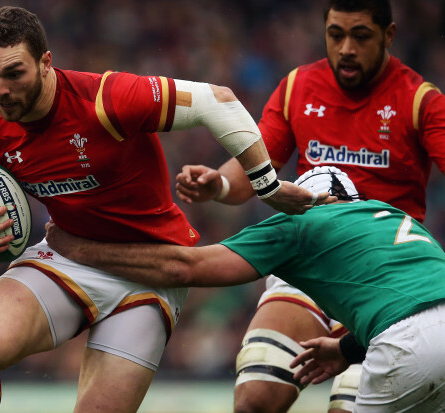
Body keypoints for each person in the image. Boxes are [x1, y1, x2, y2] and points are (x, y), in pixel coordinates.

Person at [0, 6, 330, 413]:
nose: (0, 89)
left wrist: (265, 185)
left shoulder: (106, 100)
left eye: (14, 74)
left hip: (149, 274)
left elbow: (220, 102)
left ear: (46, 63)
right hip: (66, 257)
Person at [174, 0, 445, 413]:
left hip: (383, 277)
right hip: (311, 262)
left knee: (345, 409)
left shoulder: (420, 101)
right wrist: (218, 184)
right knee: (255, 398)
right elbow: (257, 165)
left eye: (361, 36)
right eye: (335, 35)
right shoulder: (300, 86)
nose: (346, 49)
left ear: (389, 35)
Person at [44, 166, 445, 413]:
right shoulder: (392, 217)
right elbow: (419, 303)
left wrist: (82, 250)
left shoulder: (301, 222)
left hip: (403, 345)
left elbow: (185, 267)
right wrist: (344, 349)